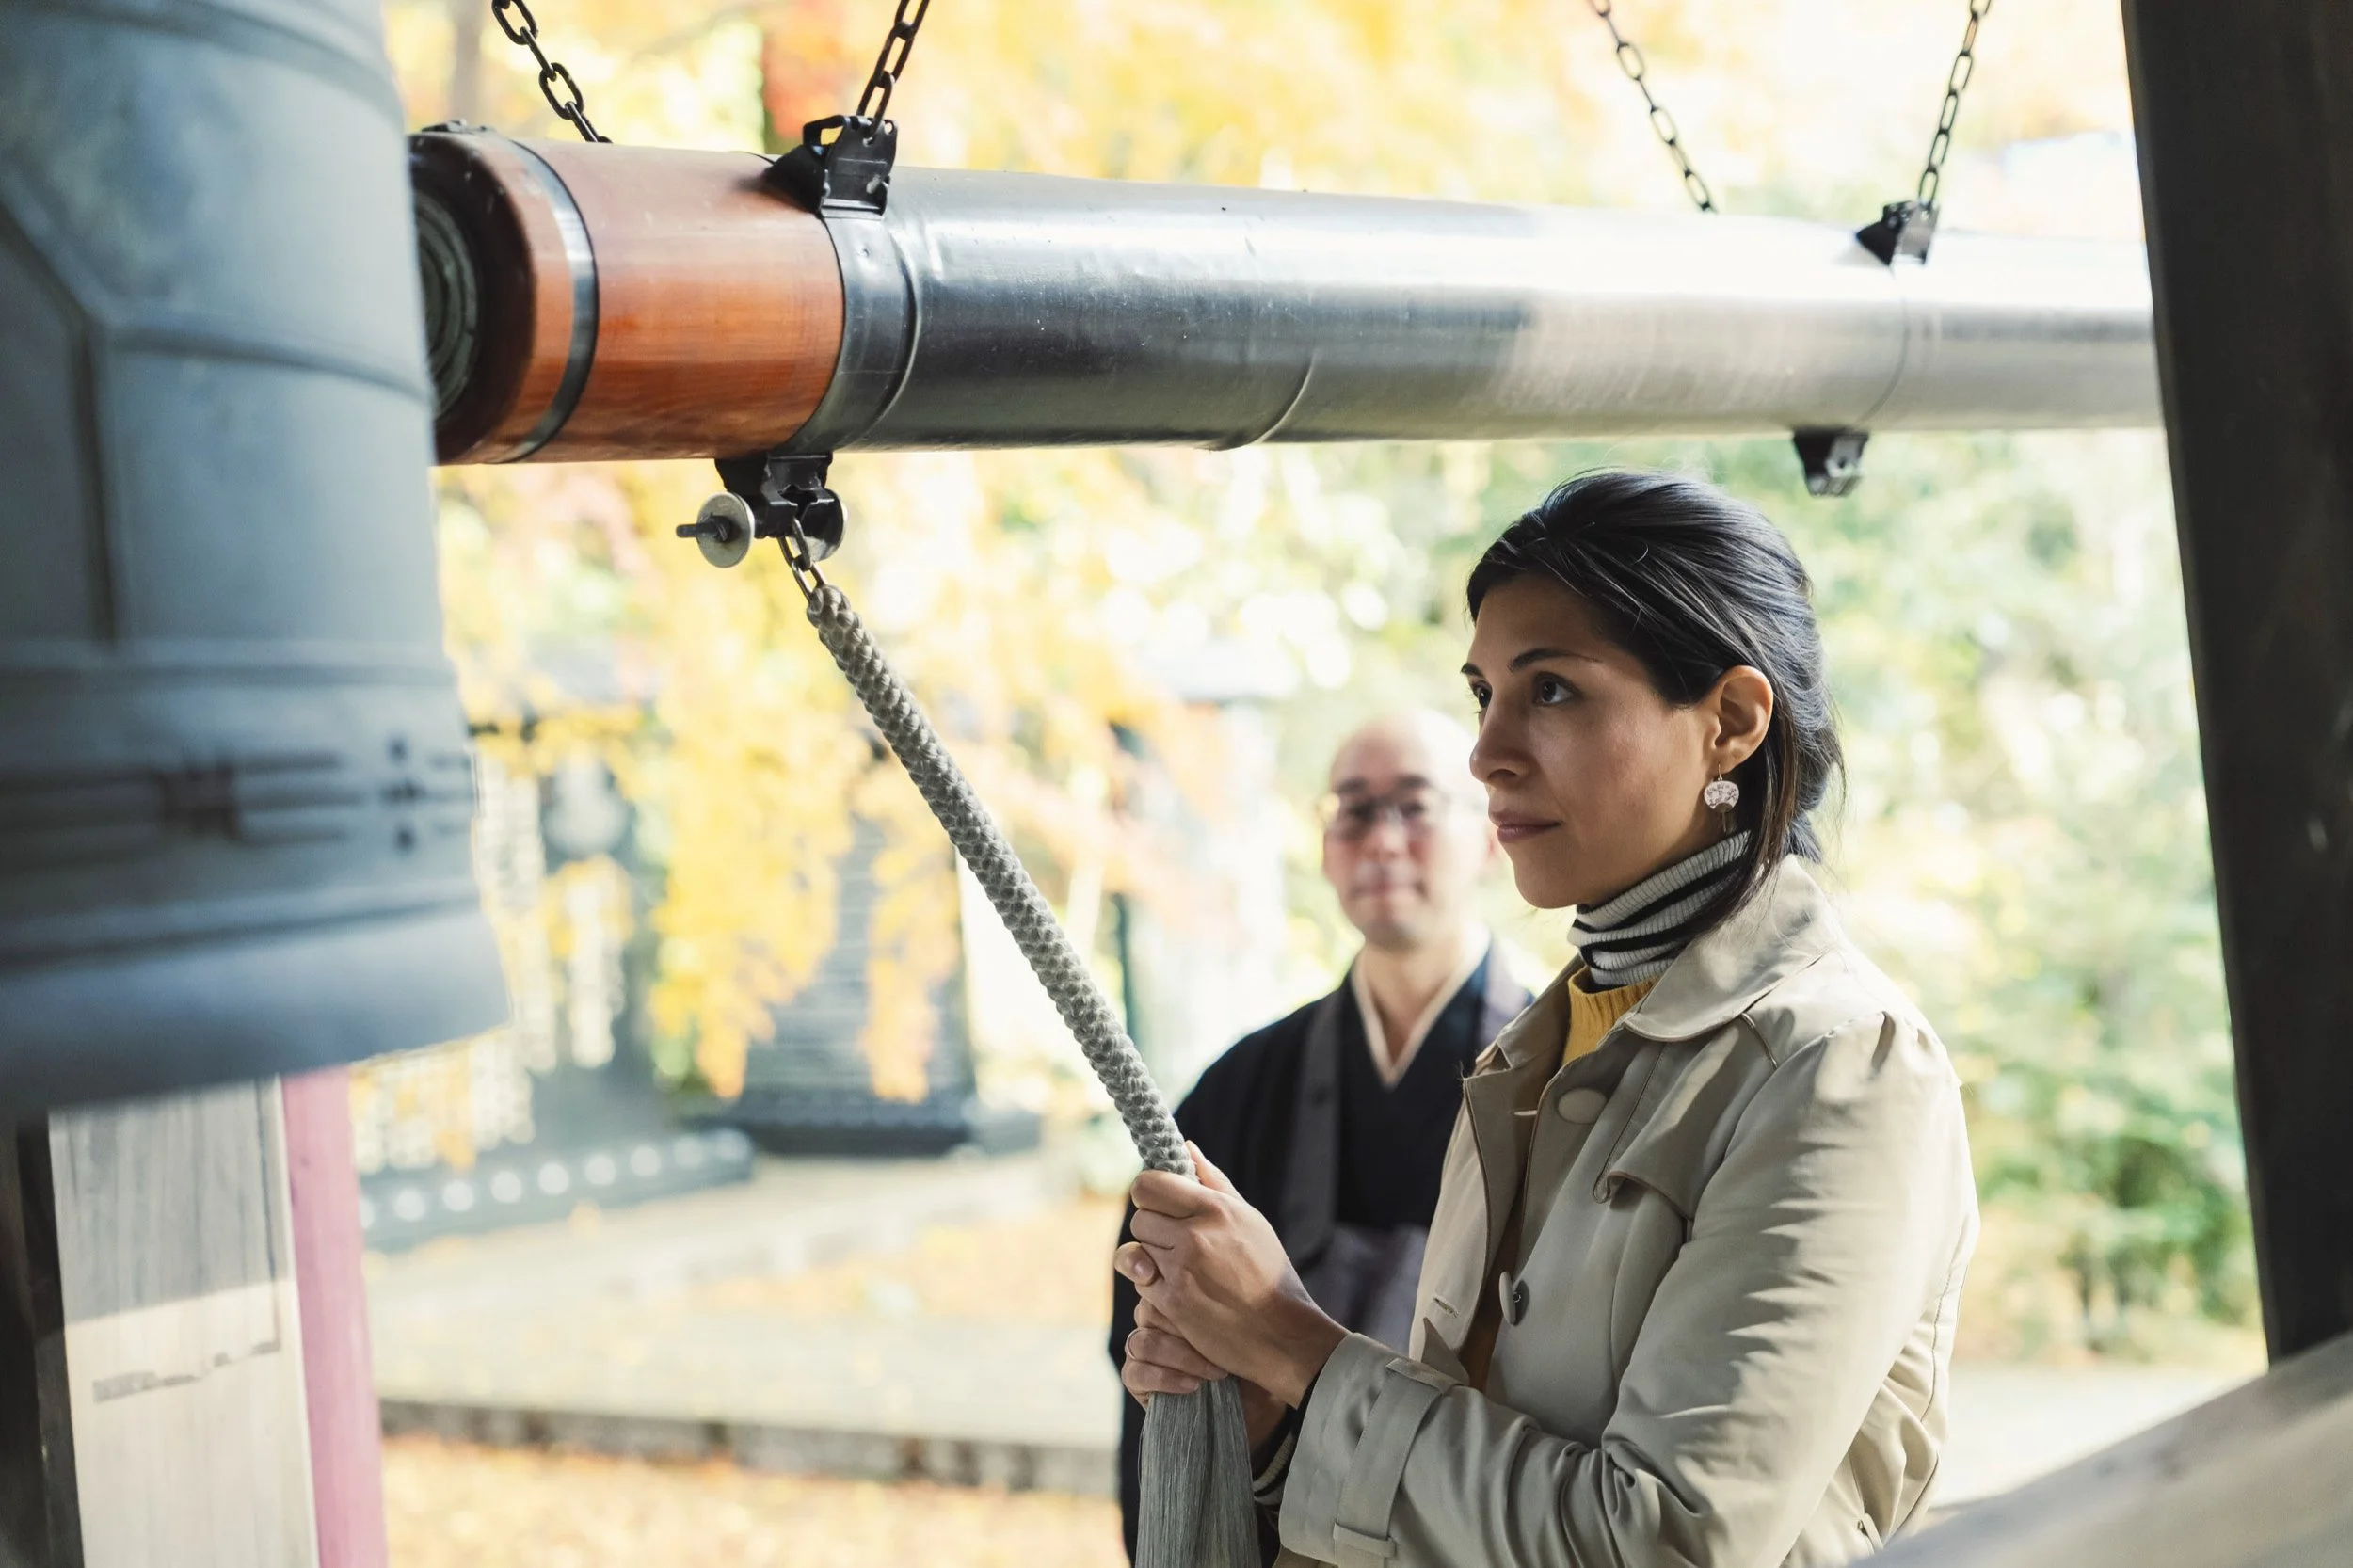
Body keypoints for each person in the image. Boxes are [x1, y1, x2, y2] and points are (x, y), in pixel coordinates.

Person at [1116, 472, 1979, 1568]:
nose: (1488, 752)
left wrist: (1300, 1350)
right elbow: (1478, 1472)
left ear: (1730, 722)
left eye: (1553, 691)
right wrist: (1278, 1429)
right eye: (1484, 694)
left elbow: (1662, 1540)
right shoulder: (1535, 1049)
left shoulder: (1839, 1067)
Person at [1108, 709, 1532, 1563]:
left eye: (1415, 806)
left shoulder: (1560, 1083)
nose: (1381, 839)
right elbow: (1153, 1357)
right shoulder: (1240, 1087)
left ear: (1491, 836)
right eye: (1354, 808)